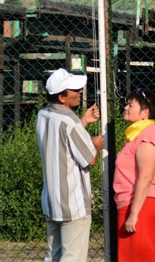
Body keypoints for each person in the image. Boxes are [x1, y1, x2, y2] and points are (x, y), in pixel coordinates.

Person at [36, 68, 104, 262]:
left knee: (53, 255)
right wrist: (94, 144)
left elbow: (62, 142)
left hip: (51, 201)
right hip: (73, 205)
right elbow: (90, 159)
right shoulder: (70, 121)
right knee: (72, 257)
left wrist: (83, 122)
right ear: (62, 97)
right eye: (74, 89)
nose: (80, 91)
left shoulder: (43, 115)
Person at [113, 88, 155, 262]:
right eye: (126, 104)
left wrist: (134, 213)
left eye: (131, 105)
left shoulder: (148, 134)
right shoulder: (136, 134)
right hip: (133, 204)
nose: (125, 107)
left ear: (145, 113)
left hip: (141, 206)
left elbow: (146, 177)